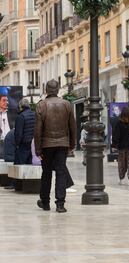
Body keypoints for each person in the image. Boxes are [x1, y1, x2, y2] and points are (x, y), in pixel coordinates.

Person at [34, 79, 76, 213]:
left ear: (46, 90)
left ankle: (45, 202)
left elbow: (38, 130)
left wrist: (38, 148)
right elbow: (73, 126)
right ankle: (60, 204)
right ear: (57, 90)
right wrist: (72, 143)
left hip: (46, 144)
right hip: (63, 143)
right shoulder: (67, 104)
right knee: (61, 172)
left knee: (46, 173)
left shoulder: (41, 105)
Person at [111, 107, 129, 186]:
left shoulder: (119, 123)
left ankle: (121, 178)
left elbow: (116, 135)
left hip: (122, 147)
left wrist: (114, 145)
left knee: (122, 163)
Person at [14, 99, 35, 165]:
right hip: (33, 145)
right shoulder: (35, 115)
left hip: (23, 145)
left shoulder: (21, 116)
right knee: (30, 165)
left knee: (19, 166)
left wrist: (17, 144)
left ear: (20, 107)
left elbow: (18, 133)